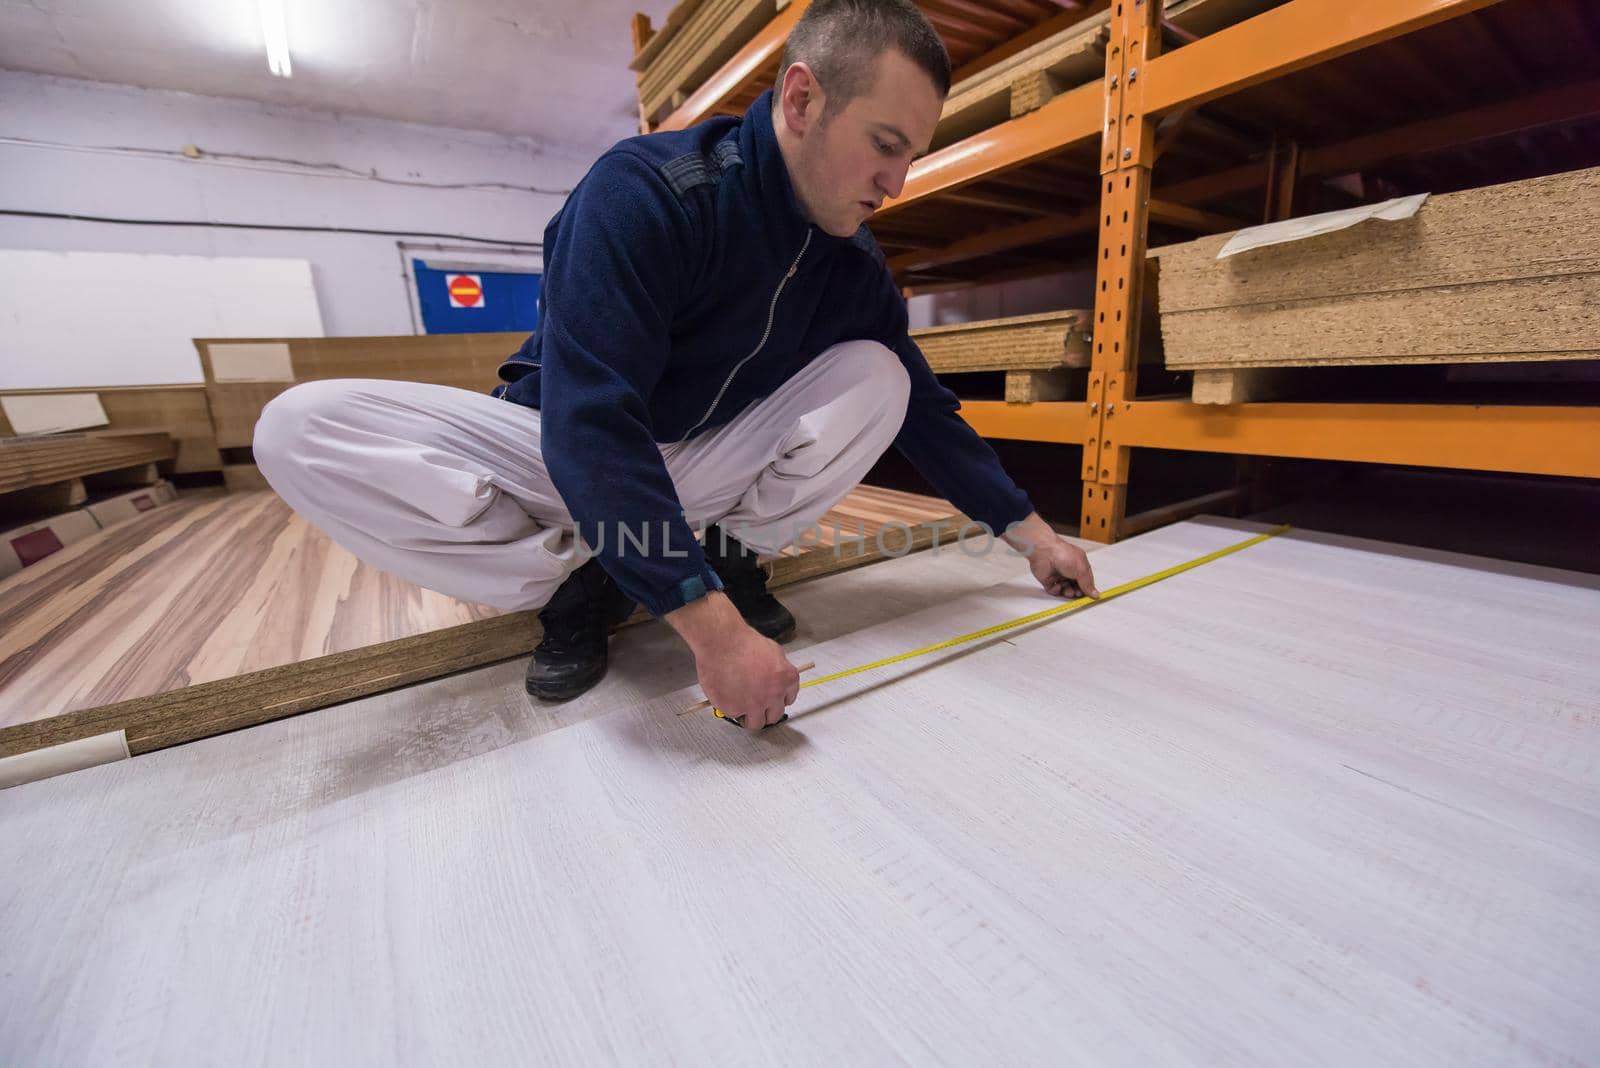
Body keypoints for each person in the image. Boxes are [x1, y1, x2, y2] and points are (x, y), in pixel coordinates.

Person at [253, 0, 1099, 733]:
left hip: (695, 466)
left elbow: (922, 409)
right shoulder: (648, 195)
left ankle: (718, 556)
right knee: (298, 428)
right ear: (802, 98)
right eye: (885, 144)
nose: (898, 181)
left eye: (911, 153)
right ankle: (585, 579)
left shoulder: (850, 264)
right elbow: (588, 423)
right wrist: (716, 635)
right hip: (554, 450)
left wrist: (1030, 535)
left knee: (881, 372)